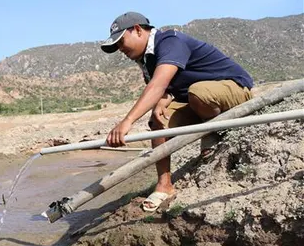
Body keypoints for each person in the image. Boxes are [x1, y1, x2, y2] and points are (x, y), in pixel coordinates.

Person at [100, 12, 253, 212]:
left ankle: (213, 132)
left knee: (198, 92)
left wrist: (127, 121)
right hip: (196, 100)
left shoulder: (170, 41)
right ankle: (164, 185)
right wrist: (165, 99)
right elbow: (165, 90)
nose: (120, 49)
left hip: (235, 90)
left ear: (138, 29)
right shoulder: (147, 60)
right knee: (158, 121)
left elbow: (157, 85)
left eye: (121, 42)